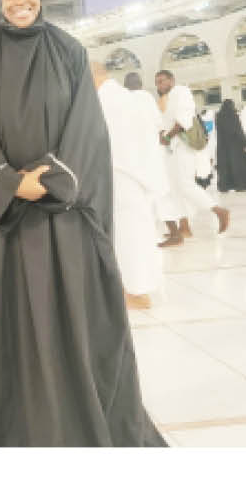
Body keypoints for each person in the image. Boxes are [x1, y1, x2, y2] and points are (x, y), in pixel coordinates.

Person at [0, 0, 163, 446]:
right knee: (20, 325)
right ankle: (28, 426)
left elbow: (87, 131)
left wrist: (47, 180)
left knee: (72, 322)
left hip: (60, 216)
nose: (19, 0)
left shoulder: (69, 52)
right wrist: (8, 183)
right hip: (12, 221)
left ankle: (77, 419)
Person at [93, 58, 169, 309]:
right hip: (138, 173)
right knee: (138, 231)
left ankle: (136, 292)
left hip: (120, 172)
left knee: (128, 235)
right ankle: (139, 288)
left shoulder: (105, 100)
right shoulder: (128, 97)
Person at [155, 70, 230, 245]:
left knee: (185, 185)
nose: (160, 85)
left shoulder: (181, 91)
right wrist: (162, 134)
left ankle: (219, 211)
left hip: (183, 148)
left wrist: (166, 136)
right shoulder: (168, 98)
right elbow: (165, 122)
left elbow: (183, 121)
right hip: (172, 150)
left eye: (162, 81)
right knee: (175, 188)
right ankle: (184, 228)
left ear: (172, 80)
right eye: (157, 82)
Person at [217, 99, 246, 192]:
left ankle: (224, 187)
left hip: (222, 146)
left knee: (225, 166)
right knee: (238, 165)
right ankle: (240, 185)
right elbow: (238, 131)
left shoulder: (218, 116)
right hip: (235, 146)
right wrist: (245, 142)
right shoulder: (234, 116)